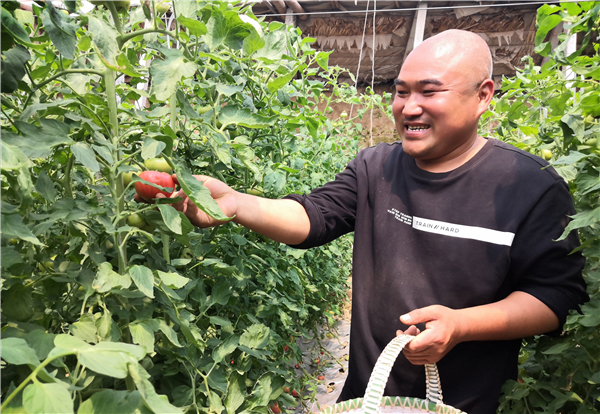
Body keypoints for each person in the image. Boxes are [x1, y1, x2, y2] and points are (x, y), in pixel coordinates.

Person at [165, 30, 588, 413]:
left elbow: (556, 296)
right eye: (401, 92)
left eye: (429, 91)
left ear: (483, 96)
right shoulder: (376, 167)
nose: (409, 107)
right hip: (368, 397)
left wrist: (461, 325)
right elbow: (313, 216)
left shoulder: (528, 184)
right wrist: (238, 204)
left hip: (467, 403)